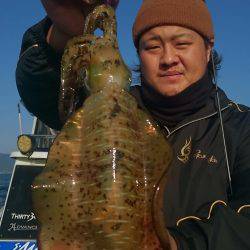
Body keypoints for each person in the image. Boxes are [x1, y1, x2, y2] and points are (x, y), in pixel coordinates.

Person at [16, 0, 250, 249]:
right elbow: (43, 90)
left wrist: (174, 244)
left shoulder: (241, 127)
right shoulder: (103, 110)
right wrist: (63, 32)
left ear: (207, 48)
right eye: (152, 47)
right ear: (138, 54)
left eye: (182, 43)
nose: (168, 58)